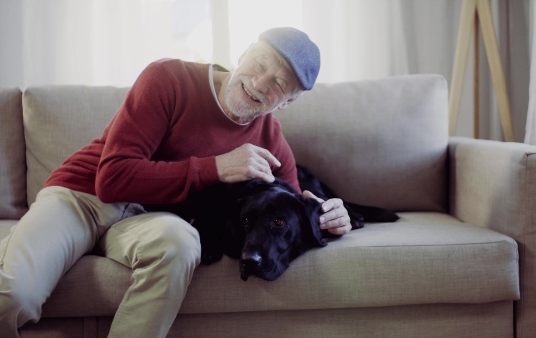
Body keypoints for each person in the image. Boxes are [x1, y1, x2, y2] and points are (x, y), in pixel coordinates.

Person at [0, 27, 351, 337]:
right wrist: (216, 167)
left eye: (278, 84)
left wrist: (333, 215)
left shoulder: (269, 137)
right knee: (17, 295)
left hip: (143, 221)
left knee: (183, 242)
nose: (259, 83)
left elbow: (294, 202)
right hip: (81, 196)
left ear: (287, 103)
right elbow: (111, 179)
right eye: (260, 63)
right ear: (243, 54)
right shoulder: (168, 78)